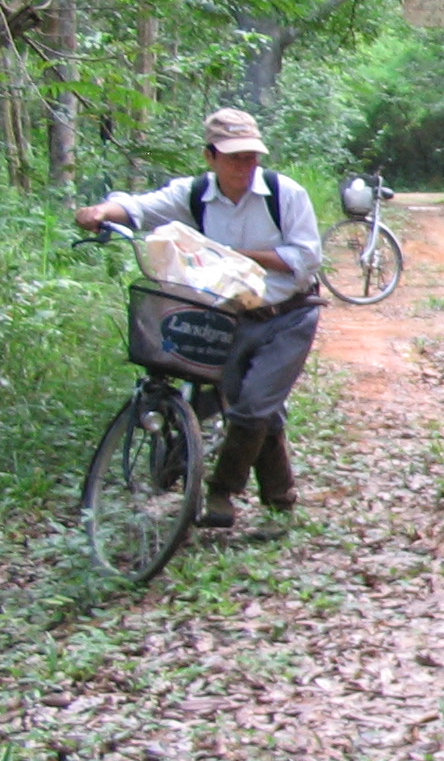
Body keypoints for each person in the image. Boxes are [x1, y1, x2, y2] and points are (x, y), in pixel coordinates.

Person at [73, 108, 323, 534]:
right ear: (211, 157)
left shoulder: (286, 194)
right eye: (234, 157)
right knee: (251, 407)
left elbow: (305, 259)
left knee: (253, 405)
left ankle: (220, 493)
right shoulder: (192, 196)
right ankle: (280, 500)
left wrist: (230, 253)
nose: (245, 166)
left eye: (251, 156)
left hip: (289, 316)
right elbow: (138, 208)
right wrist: (100, 212)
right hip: (231, 318)